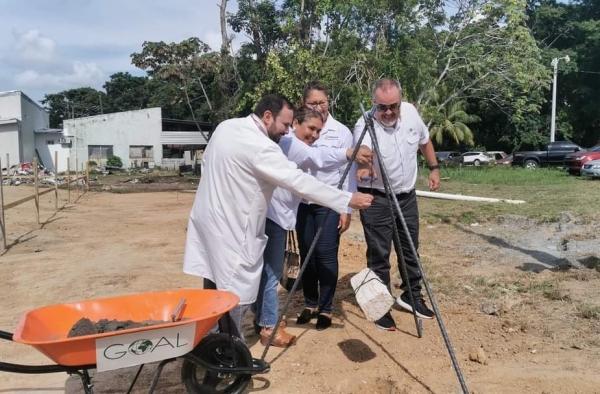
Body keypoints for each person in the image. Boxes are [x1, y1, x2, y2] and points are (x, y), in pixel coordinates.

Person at [183, 94, 373, 339]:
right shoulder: (263, 147)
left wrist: (346, 154)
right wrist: (345, 199)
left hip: (207, 221)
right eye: (285, 125)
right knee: (234, 289)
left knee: (212, 285)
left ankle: (208, 339)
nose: (287, 131)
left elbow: (207, 164)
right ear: (267, 116)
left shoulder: (226, 127)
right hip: (233, 228)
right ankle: (229, 351)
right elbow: (299, 181)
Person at [252, 107, 373, 346]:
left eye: (319, 130)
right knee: (272, 271)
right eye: (311, 129)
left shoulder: (288, 143)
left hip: (277, 213)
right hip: (275, 214)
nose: (315, 135)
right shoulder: (288, 144)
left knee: (269, 268)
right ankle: (269, 324)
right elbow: (317, 162)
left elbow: (319, 158)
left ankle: (264, 317)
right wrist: (349, 158)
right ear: (296, 123)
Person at [353, 78, 441, 331]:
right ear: (374, 104)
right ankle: (380, 306)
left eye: (394, 106)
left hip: (406, 196)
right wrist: (364, 169)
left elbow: (424, 141)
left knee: (410, 249)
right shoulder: (364, 124)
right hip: (378, 198)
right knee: (379, 254)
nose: (389, 112)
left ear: (401, 101)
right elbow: (363, 157)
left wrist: (434, 168)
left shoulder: (411, 112)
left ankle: (411, 295)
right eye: (382, 107)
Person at [295, 81, 356, 331]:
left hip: (329, 203)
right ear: (304, 103)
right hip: (302, 201)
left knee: (326, 255)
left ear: (329, 101)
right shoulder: (296, 131)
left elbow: (348, 171)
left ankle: (327, 307)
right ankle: (310, 303)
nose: (319, 107)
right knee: (306, 254)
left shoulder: (341, 132)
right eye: (313, 103)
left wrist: (347, 208)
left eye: (322, 101)